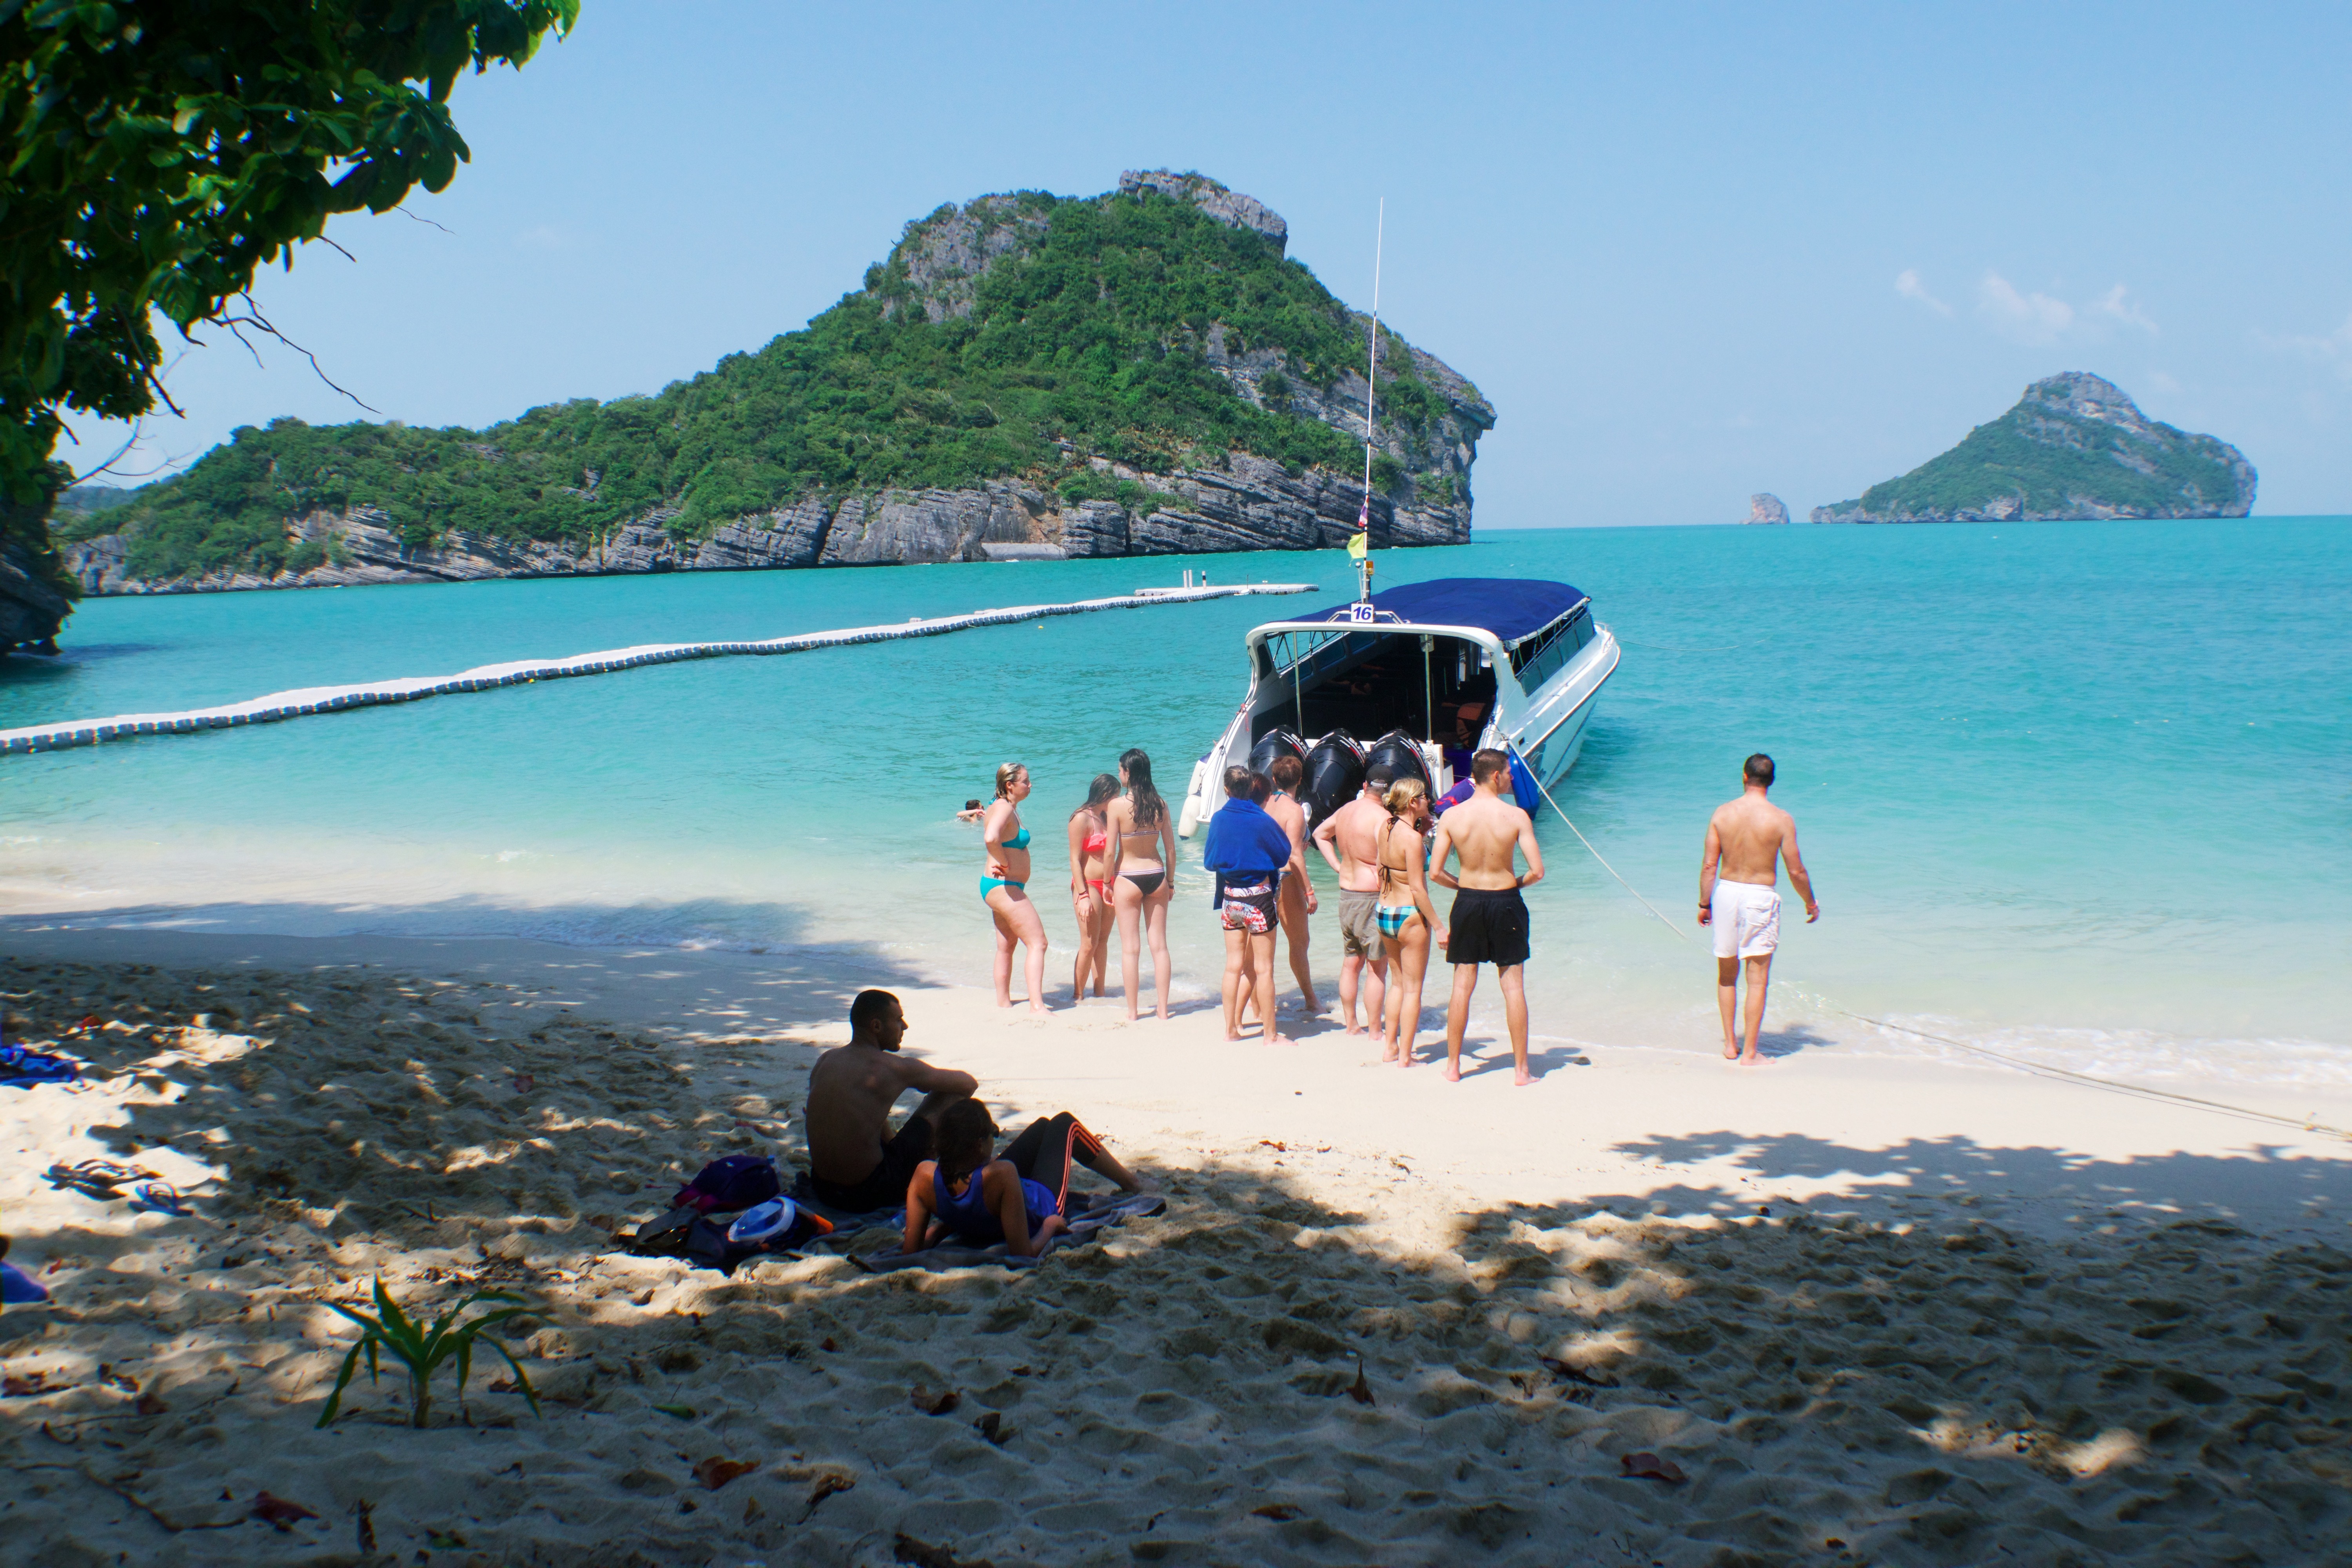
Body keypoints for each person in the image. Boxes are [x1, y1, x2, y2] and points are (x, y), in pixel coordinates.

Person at [1429, 748, 1546, 1085]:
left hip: (1468, 901)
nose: (1512, 777)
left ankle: (1453, 1067)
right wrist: (1513, 886)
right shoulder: (1517, 817)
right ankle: (1522, 1072)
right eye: (1509, 772)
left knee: (1462, 986)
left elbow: (1435, 873)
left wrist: (1464, 889)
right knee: (1513, 987)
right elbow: (1537, 871)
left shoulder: (1452, 817)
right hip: (1506, 901)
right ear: (1495, 776)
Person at [903, 1099, 1147, 1259]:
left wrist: (939, 1230)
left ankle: (1131, 1182)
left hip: (990, 1202)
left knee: (1042, 1127)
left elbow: (910, 1251)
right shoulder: (1003, 1174)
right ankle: (1132, 1183)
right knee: (1064, 1123)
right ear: (979, 1145)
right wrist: (1050, 1226)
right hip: (1043, 1205)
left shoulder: (924, 1176)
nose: (994, 1140)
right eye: (993, 1135)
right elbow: (1023, 1253)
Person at [805, 989, 977, 1211]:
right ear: (876, 1027)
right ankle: (934, 1158)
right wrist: (924, 1081)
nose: (905, 1026)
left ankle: (914, 1155)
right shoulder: (895, 1068)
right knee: (950, 1093)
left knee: (868, 1112)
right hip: (867, 1192)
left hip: (823, 1189)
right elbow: (968, 1084)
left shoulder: (826, 1060)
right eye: (898, 1020)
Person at [1699, 753, 1820, 1065]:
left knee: (1727, 974)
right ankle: (1750, 1053)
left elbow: (1710, 865)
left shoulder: (1722, 814)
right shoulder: (1781, 819)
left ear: (1744, 776)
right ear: (1772, 781)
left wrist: (1704, 903)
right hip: (1760, 897)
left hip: (1726, 893)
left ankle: (1730, 1045)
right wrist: (1810, 901)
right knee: (1757, 979)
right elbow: (1796, 871)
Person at [1202, 763, 1299, 1044]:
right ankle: (1270, 1035)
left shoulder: (1219, 819)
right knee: (1264, 969)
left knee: (1233, 966)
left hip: (1231, 898)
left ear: (1227, 789)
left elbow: (1210, 862)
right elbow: (1283, 855)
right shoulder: (1262, 819)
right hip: (1258, 897)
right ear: (1251, 789)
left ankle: (1231, 1030)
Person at [1313, 763, 1395, 1036]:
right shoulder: (1383, 818)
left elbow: (1319, 834)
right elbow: (1385, 861)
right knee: (1376, 970)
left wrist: (1337, 865)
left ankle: (1351, 1025)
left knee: (1351, 963)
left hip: (1346, 894)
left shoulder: (1346, 810)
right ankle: (1375, 1031)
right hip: (1371, 897)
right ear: (1389, 791)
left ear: (1365, 787)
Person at [1374, 777, 1447, 1067]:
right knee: (1414, 989)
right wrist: (1440, 926)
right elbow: (1418, 888)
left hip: (1384, 911)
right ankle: (1406, 1056)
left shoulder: (1386, 826)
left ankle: (1390, 1048)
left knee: (1398, 985)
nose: (1429, 800)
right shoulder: (1413, 839)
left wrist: (1421, 832)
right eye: (1425, 796)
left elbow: (1384, 866)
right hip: (1409, 916)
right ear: (1413, 802)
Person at [1103, 748, 1177, 1021]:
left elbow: (1110, 852)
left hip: (1128, 876)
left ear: (1128, 773)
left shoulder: (1117, 806)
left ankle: (1133, 1013)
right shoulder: (1161, 804)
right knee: (1159, 946)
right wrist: (1170, 882)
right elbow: (1170, 850)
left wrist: (1106, 883)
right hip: (1157, 874)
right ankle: (1163, 1010)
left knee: (1130, 949)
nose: (1119, 774)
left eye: (1121, 770)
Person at [981, 762, 1050, 1015]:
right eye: (1026, 781)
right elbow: (991, 837)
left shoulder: (1007, 807)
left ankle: (1004, 1003)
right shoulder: (1003, 808)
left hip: (1000, 886)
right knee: (1038, 943)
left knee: (1007, 946)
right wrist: (1002, 861)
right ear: (1010, 785)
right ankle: (1037, 1006)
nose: (1030, 785)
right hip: (1004, 885)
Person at [1263, 755, 1323, 1016]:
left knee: (1262, 945)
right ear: (1300, 780)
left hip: (1262, 878)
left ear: (1274, 779)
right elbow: (1295, 855)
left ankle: (1258, 1005)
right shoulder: (1295, 811)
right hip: (1286, 879)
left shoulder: (1265, 804)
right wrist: (1309, 891)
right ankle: (1311, 1000)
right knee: (1299, 942)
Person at [1066, 773, 1120, 1004]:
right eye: (1116, 796)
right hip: (1088, 885)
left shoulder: (1108, 817)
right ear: (1105, 794)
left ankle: (1100, 992)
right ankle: (1078, 995)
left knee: (1103, 940)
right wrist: (1083, 895)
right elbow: (1074, 860)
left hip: (1109, 884)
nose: (1118, 800)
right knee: (1089, 942)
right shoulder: (1081, 819)